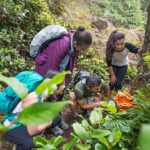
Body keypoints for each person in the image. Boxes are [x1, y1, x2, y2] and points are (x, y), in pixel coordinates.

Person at [3, 70, 67, 150]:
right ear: (54, 87)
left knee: (56, 117)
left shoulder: (42, 86)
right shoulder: (35, 97)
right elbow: (32, 130)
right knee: (32, 143)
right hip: (12, 126)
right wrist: (47, 123)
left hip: (25, 120)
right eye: (63, 84)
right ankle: (19, 145)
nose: (64, 86)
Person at [106, 30, 142, 98]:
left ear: (124, 41)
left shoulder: (127, 45)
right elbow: (109, 63)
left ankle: (118, 100)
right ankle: (108, 99)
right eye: (117, 44)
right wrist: (113, 75)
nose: (120, 46)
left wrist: (139, 50)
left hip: (123, 65)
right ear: (113, 43)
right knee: (112, 82)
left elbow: (136, 49)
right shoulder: (110, 48)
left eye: (122, 44)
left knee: (118, 83)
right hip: (113, 65)